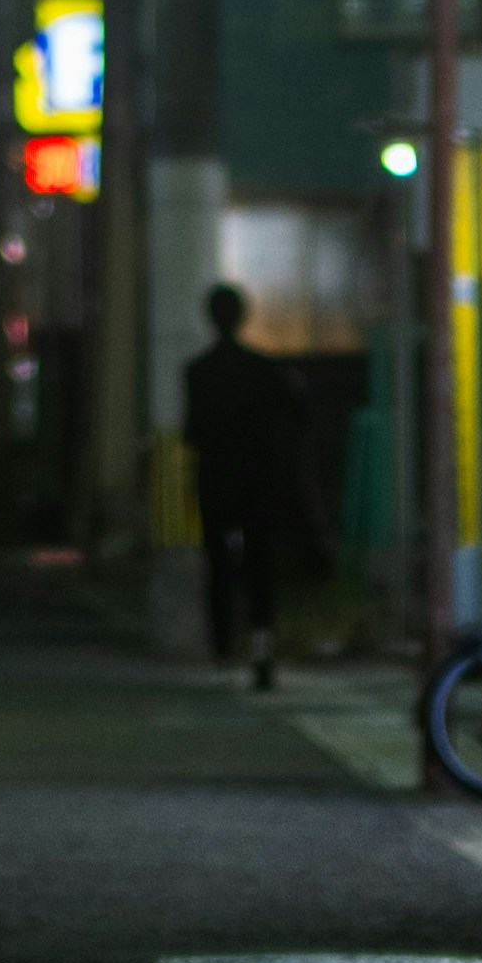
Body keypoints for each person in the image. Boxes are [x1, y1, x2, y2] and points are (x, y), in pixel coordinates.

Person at [183, 283, 320, 690]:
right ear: (242, 316)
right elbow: (300, 418)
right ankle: (262, 651)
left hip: (215, 483)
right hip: (261, 483)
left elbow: (192, 433)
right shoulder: (267, 369)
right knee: (261, 570)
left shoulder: (198, 371)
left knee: (219, 569)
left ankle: (223, 649)